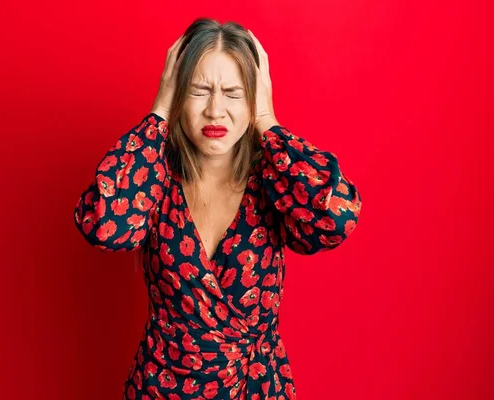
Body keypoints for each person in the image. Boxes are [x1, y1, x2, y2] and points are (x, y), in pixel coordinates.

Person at [74, 18, 362, 400]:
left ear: (256, 95)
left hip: (256, 388)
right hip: (161, 389)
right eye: (199, 90)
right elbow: (103, 225)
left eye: (233, 92)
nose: (215, 110)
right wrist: (161, 109)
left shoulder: (273, 182)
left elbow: (337, 217)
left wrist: (266, 121)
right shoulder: (155, 178)